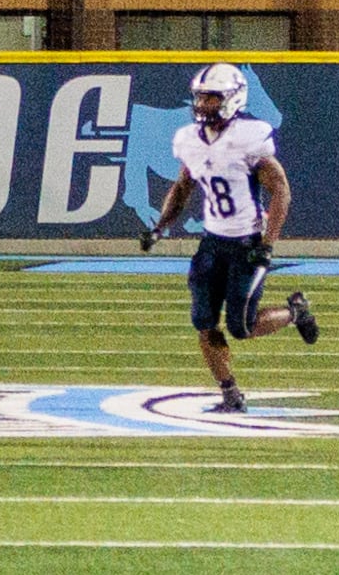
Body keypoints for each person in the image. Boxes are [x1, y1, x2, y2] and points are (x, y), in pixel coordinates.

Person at [136, 60, 317, 411]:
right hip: (212, 243)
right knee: (204, 321)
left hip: (246, 243)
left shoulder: (249, 138)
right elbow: (183, 185)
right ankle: (230, 392)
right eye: (200, 99)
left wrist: (268, 245)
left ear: (233, 99)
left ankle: (295, 311)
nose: (203, 106)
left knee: (242, 326)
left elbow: (281, 190)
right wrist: (160, 227)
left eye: (211, 98)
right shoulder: (189, 139)